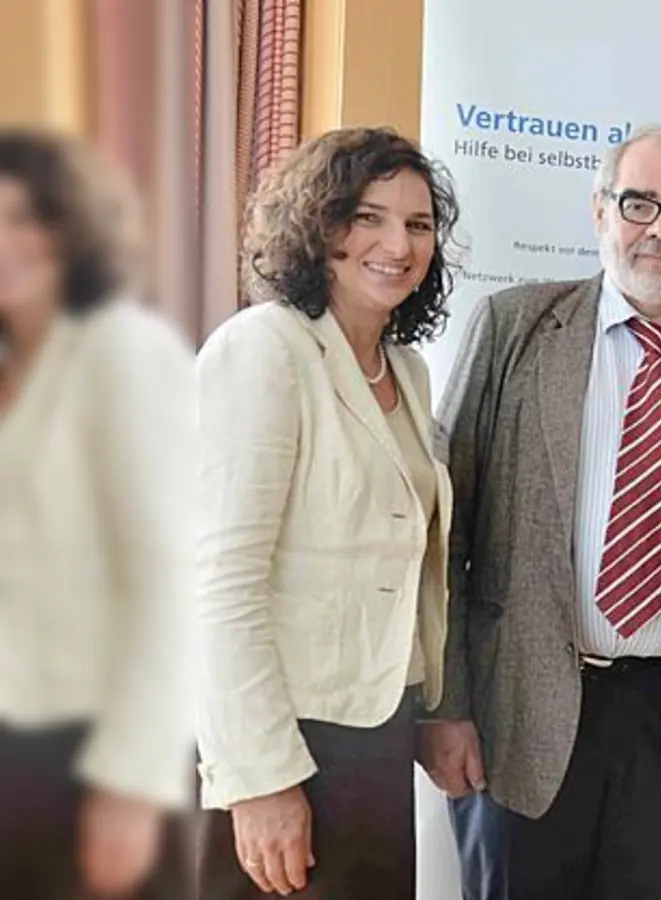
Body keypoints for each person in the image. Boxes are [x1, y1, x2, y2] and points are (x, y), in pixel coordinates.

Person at [421, 123, 661, 900]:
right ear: (599, 211)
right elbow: (440, 535)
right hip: (519, 712)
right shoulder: (515, 327)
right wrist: (445, 707)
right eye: (639, 203)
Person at [194, 127, 461, 898]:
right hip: (286, 738)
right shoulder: (264, 350)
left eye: (418, 225)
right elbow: (222, 582)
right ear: (318, 226)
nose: (398, 244)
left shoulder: (405, 370)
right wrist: (261, 780)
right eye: (368, 218)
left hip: (375, 731)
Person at [0, 129, 192, 900]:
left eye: (23, 219)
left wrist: (132, 785)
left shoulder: (128, 356)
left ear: (71, 230)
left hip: (93, 756)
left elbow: (165, 584)